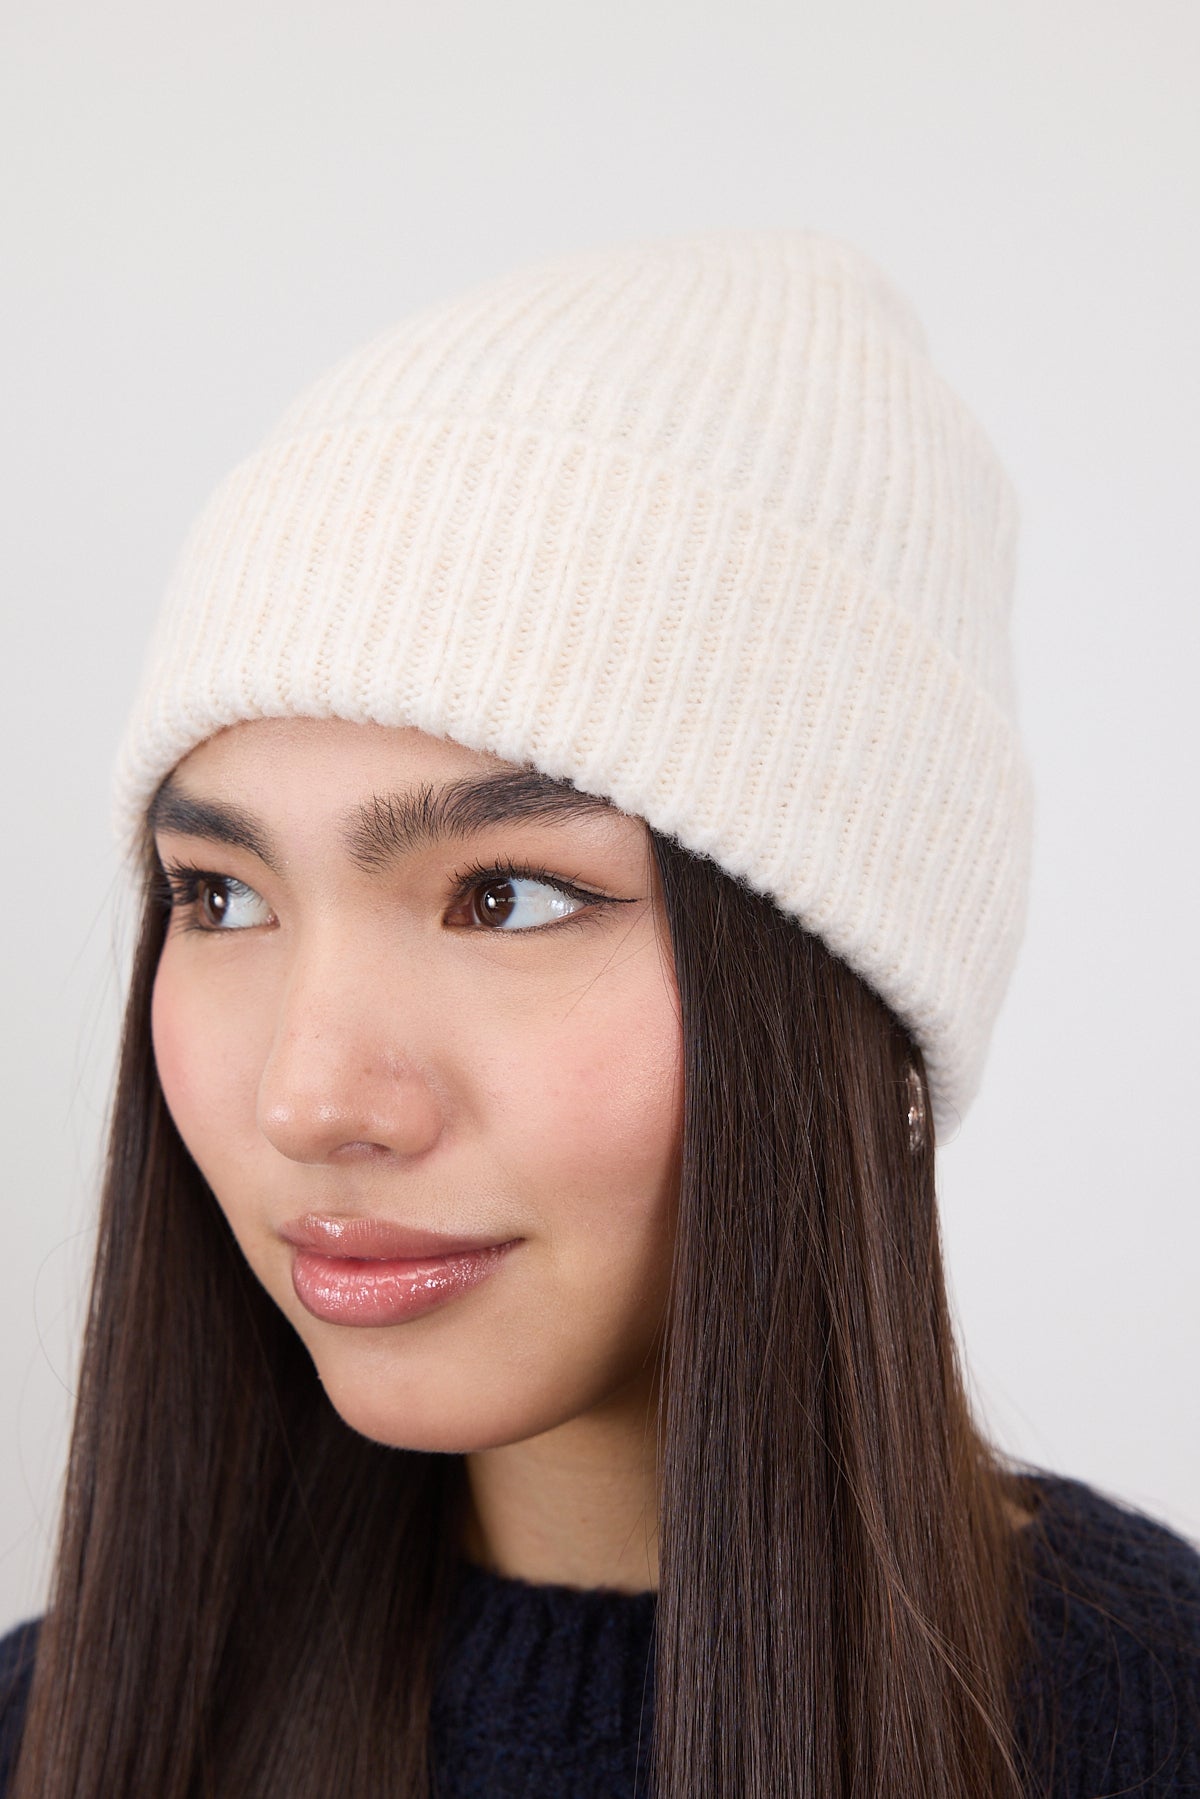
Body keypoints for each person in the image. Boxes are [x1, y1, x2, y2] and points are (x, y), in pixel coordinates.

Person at [1, 230, 1196, 1799]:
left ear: (854, 995)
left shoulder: (1151, 1726)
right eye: (221, 898)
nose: (309, 1097)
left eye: (504, 897)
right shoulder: (53, 1733)